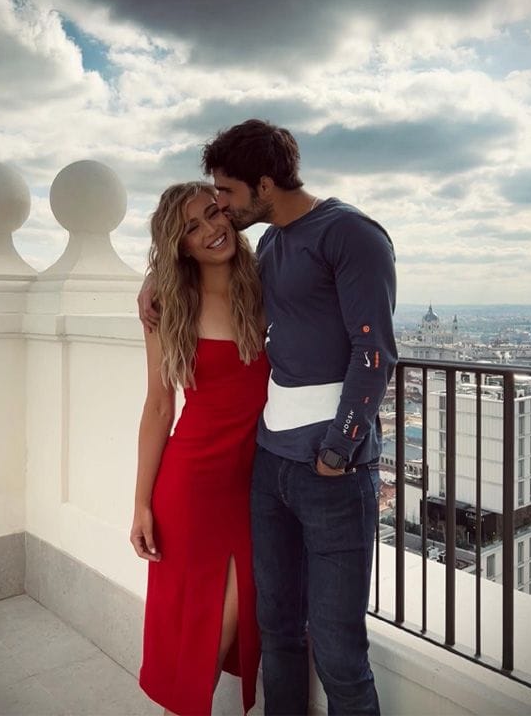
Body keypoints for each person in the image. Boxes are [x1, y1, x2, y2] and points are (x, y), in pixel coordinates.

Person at [140, 120, 397, 716]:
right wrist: (155, 276)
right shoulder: (261, 253)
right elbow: (161, 394)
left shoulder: (318, 246)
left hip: (304, 472)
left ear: (259, 185)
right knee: (267, 629)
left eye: (222, 199)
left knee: (328, 646)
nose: (220, 215)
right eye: (205, 213)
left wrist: (342, 450)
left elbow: (373, 350)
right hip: (242, 472)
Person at [130, 182, 269, 716]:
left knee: (232, 618)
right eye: (192, 227)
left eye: (214, 213)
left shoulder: (264, 282)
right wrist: (141, 503)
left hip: (253, 489)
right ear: (179, 245)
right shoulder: (169, 305)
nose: (212, 229)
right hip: (190, 488)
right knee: (198, 640)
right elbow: (159, 407)